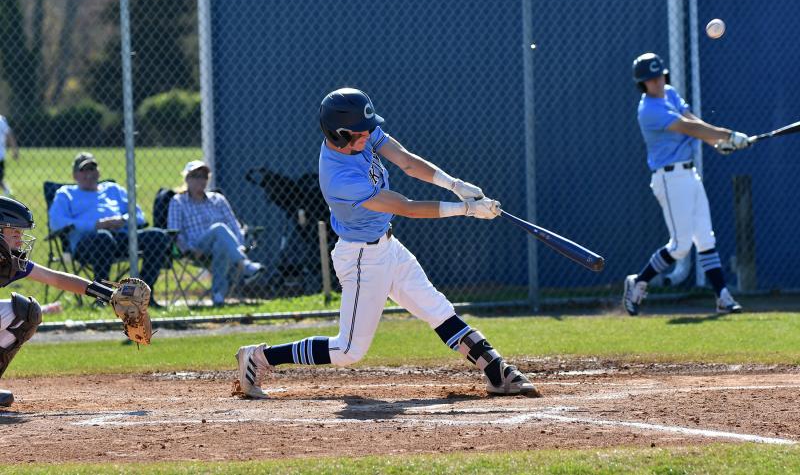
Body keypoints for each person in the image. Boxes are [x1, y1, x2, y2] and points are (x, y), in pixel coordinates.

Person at [234, 87, 539, 399]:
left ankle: (495, 370)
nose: (369, 134)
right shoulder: (340, 179)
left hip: (388, 247)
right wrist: (465, 209)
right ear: (338, 134)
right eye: (360, 132)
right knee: (348, 350)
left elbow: (406, 161)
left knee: (438, 309)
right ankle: (258, 359)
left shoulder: (362, 133)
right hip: (361, 258)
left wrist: (456, 186)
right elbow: (404, 205)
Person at [623, 53, 751, 316]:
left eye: (659, 76)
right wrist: (729, 136)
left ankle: (723, 296)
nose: (657, 82)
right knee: (681, 246)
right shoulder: (649, 110)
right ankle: (638, 281)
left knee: (705, 236)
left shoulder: (669, 93)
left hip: (689, 174)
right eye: (651, 79)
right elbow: (687, 128)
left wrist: (717, 142)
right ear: (642, 83)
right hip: (668, 178)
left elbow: (693, 120)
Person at [0, 196, 123, 407]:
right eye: (15, 233)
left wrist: (108, 295)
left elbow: (56, 278)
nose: (20, 240)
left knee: (27, 312)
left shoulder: (9, 260)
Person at [48, 152, 170, 307]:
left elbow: (139, 215)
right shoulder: (66, 193)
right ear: (75, 175)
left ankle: (142, 296)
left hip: (122, 237)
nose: (89, 174)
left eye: (92, 169)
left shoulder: (113, 189)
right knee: (103, 237)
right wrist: (96, 224)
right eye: (84, 170)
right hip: (87, 243)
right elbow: (57, 223)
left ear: (98, 172)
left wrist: (122, 220)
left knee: (157, 235)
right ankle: (103, 298)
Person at [167, 160, 265, 306]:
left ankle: (218, 296)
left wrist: (240, 245)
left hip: (225, 246)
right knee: (219, 228)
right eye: (196, 176)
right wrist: (188, 249)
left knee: (221, 244)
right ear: (187, 178)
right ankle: (244, 264)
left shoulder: (218, 199)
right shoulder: (178, 201)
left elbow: (234, 225)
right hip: (198, 246)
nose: (201, 180)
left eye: (204, 176)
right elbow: (175, 232)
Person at [0, 115, 19, 196]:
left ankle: (7, 191)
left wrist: (14, 150)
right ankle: (7, 191)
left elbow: (9, 135)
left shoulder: (1, 121)